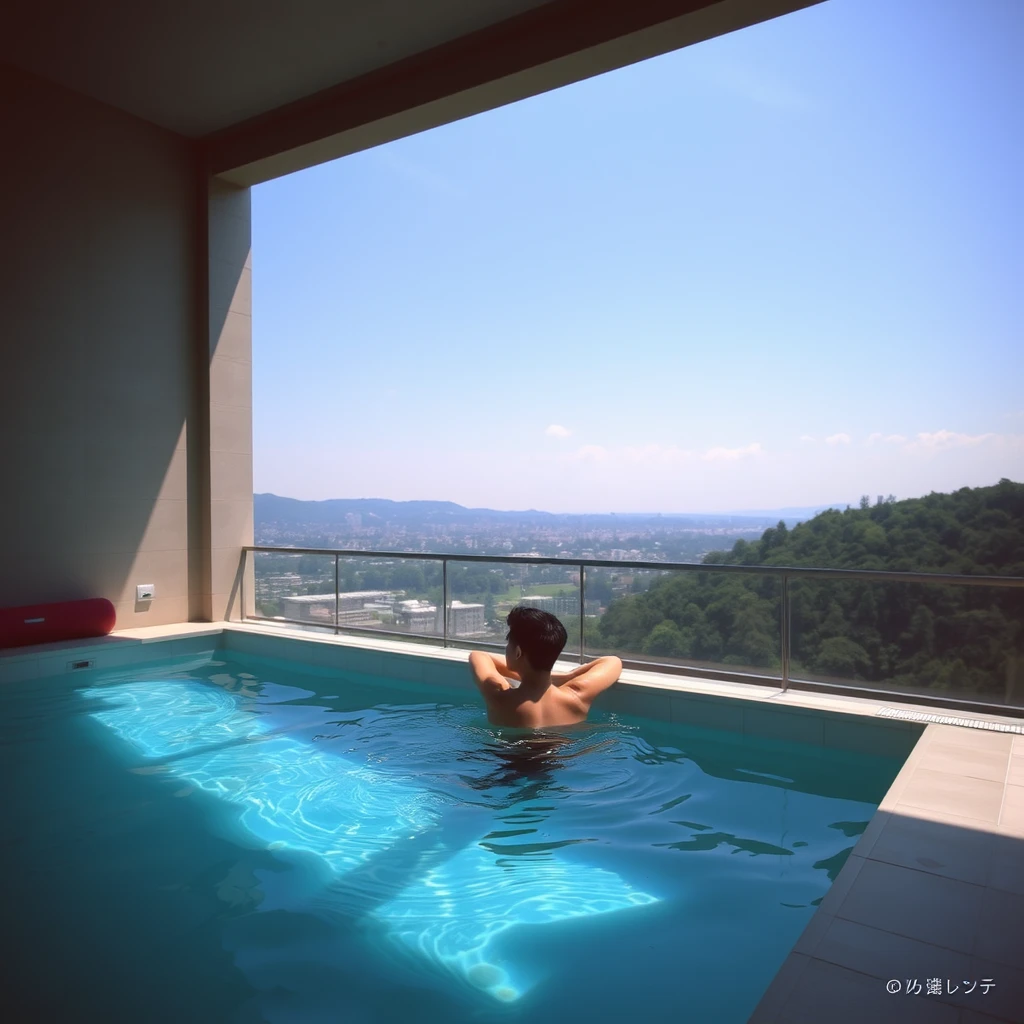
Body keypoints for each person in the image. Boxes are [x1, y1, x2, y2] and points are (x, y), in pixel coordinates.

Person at [468, 605, 622, 728]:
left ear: (518, 652)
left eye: (509, 643)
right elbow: (613, 661)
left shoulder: (498, 697)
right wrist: (569, 676)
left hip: (510, 762)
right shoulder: (577, 696)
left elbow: (479, 655)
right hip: (561, 760)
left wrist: (560, 677)